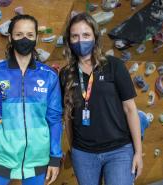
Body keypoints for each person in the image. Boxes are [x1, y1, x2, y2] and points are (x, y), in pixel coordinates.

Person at [0, 14, 63, 185]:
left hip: (38, 158)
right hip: (3, 155)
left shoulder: (49, 76)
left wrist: (55, 157)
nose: (25, 39)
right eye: (19, 34)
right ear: (10, 37)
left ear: (36, 37)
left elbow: (54, 119)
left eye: (30, 35)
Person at [60, 12, 143, 185]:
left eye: (86, 35)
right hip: (83, 154)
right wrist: (72, 147)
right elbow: (68, 114)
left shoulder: (114, 65)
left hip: (119, 151)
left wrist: (138, 152)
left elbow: (130, 109)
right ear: (69, 40)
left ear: (95, 37)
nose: (80, 40)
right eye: (75, 36)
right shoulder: (66, 74)